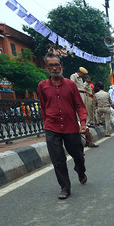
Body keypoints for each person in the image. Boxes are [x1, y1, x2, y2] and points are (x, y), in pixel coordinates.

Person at [38, 53, 88, 200]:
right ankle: (65, 187)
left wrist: (83, 122)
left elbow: (79, 105)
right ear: (46, 67)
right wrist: (46, 123)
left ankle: (80, 171)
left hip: (71, 127)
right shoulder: (42, 86)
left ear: (61, 66)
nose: (54, 68)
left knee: (78, 155)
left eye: (57, 65)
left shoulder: (71, 85)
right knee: (58, 159)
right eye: (51, 65)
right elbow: (42, 106)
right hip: (52, 127)